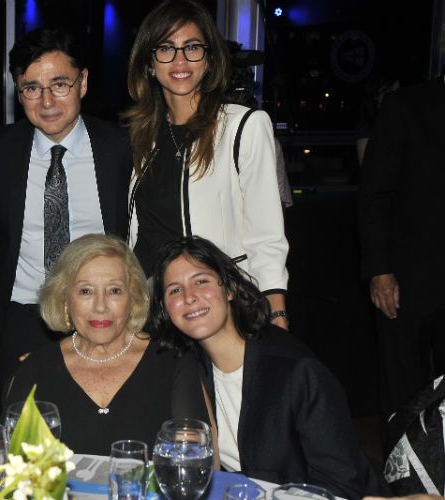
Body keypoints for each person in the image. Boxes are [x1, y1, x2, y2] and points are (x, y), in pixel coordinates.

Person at [149, 236, 387, 498]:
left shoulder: (297, 373)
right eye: (174, 290)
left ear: (230, 289)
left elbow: (342, 486)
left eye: (201, 281)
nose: (189, 297)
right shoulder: (188, 366)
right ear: (165, 308)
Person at [0, 28, 132, 388]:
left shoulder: (122, 147)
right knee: (24, 431)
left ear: (83, 83)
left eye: (60, 84)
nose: (46, 102)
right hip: (22, 316)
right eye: (31, 88)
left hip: (102, 312)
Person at [124, 0, 289, 329]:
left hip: (217, 310)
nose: (180, 60)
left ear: (210, 59)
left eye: (192, 47)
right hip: (151, 309)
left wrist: (277, 312)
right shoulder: (140, 135)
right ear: (148, 63)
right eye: (166, 48)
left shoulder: (243, 126)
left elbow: (266, 236)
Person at [5, 234, 207, 455]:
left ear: (134, 298)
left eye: (114, 290)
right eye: (85, 291)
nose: (100, 306)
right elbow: (10, 466)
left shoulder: (173, 362)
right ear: (64, 299)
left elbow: (193, 464)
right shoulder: (35, 369)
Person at [358, 75, 445, 419]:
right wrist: (379, 270)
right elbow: (374, 194)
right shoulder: (406, 105)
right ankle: (402, 470)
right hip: (407, 279)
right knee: (404, 391)